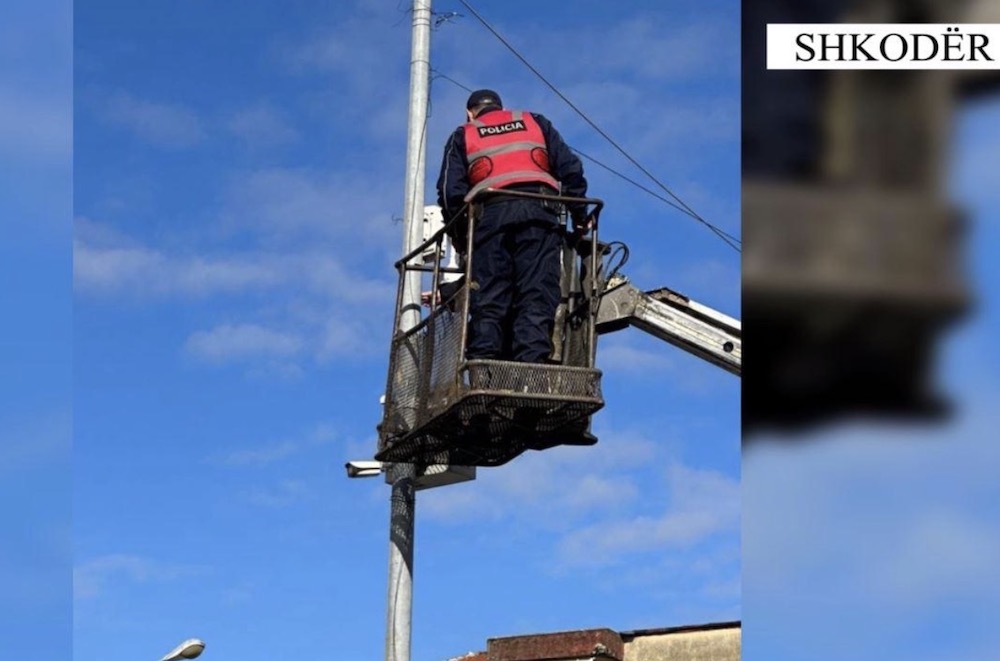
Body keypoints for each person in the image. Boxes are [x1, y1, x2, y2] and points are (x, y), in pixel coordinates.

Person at [436, 88, 590, 363]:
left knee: (489, 298)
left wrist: (462, 239)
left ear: (469, 113)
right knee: (536, 295)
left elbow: (450, 194)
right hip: (539, 216)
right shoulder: (535, 121)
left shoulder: (464, 134)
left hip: (489, 221)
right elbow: (570, 169)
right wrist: (581, 217)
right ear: (500, 106)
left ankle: (485, 370)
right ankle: (531, 370)